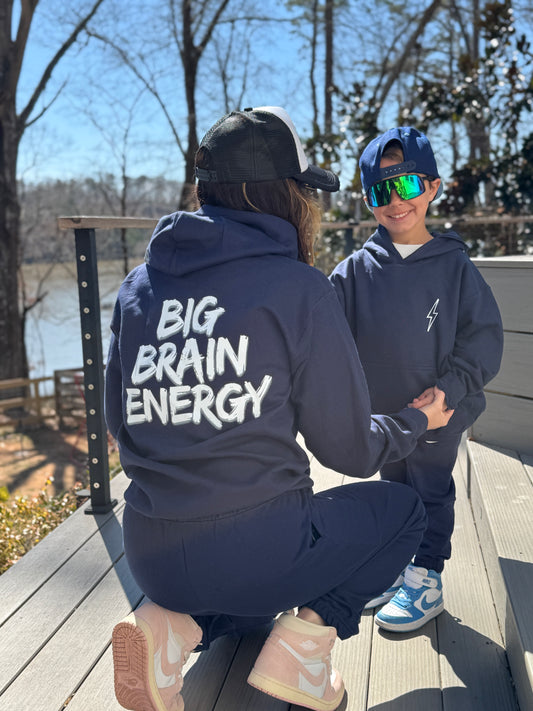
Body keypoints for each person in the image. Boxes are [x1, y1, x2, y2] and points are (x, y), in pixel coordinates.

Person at [105, 108, 454, 711]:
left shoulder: (138, 288)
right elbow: (348, 450)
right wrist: (417, 422)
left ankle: (170, 627)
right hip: (261, 551)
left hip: (149, 556)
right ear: (284, 195)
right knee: (401, 513)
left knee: (244, 605)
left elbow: (119, 424)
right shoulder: (297, 289)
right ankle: (305, 650)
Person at [329, 126, 503, 634]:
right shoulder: (354, 273)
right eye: (382, 192)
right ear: (367, 201)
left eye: (407, 187)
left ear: (432, 187)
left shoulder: (455, 267)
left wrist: (451, 388)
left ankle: (427, 576)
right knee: (394, 490)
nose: (395, 202)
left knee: (430, 490)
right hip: (384, 418)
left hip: (439, 413)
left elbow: (483, 338)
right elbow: (325, 338)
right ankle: (400, 566)